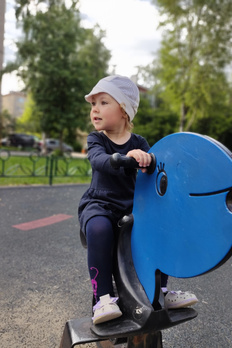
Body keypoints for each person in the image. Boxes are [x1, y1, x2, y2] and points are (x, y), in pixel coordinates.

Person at [78, 75, 198, 325]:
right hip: (100, 204)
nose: (95, 109)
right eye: (93, 105)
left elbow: (153, 167)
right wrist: (119, 158)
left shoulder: (140, 142)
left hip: (133, 207)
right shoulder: (96, 139)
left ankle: (161, 290)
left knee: (160, 228)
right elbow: (98, 160)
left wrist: (148, 160)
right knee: (98, 229)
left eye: (103, 102)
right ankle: (102, 298)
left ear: (123, 110)